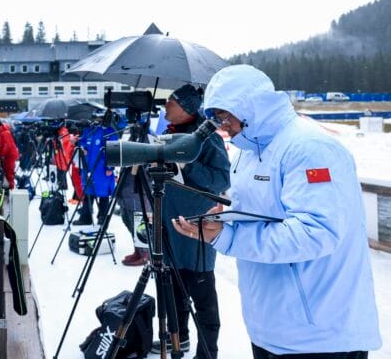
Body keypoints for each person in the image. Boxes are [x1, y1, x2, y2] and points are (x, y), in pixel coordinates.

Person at [173, 65, 381, 358]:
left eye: (223, 116)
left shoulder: (309, 148)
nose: (222, 125)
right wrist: (222, 222)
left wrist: (228, 238)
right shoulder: (248, 150)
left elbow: (315, 233)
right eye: (216, 117)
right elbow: (263, 214)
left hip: (320, 336)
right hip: (272, 327)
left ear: (248, 106)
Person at [153, 84, 230, 358]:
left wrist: (187, 163)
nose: (164, 108)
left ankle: (207, 352)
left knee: (203, 297)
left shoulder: (207, 139)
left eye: (169, 103)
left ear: (184, 107)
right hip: (168, 224)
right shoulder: (166, 135)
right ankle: (179, 338)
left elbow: (221, 180)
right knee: (172, 290)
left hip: (197, 230)